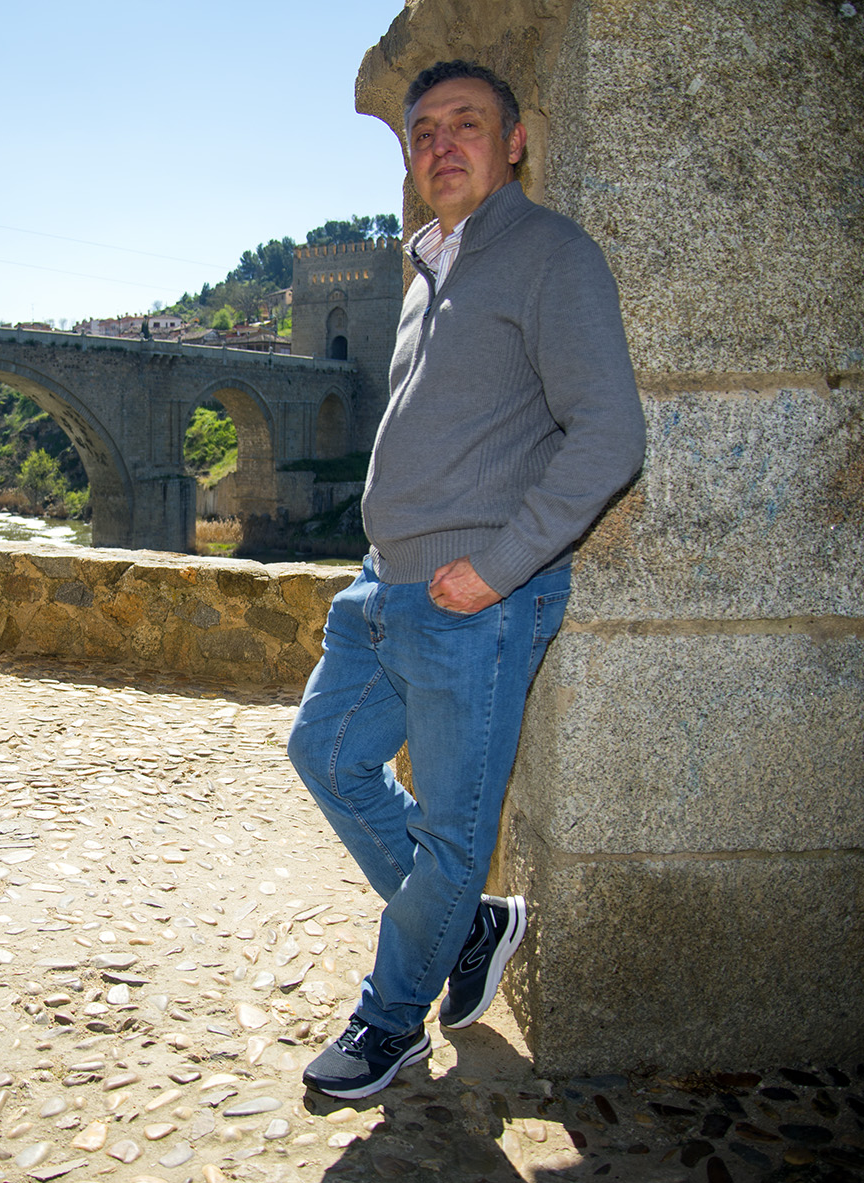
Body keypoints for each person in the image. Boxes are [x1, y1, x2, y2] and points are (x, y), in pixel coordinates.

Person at [290, 59, 645, 1099]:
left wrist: (495, 569)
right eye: (425, 131)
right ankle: (471, 925)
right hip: (382, 588)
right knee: (324, 754)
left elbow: (608, 434)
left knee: (451, 830)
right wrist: (374, 560)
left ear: (514, 140)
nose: (442, 144)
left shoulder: (548, 256)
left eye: (467, 124)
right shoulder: (426, 266)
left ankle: (389, 1021)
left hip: (474, 602)